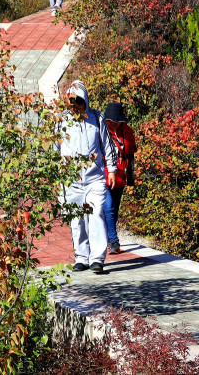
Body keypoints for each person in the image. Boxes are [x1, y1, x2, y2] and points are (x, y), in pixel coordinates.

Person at [59, 80, 118, 274]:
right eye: (72, 102)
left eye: (79, 102)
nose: (75, 106)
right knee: (76, 220)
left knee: (96, 214)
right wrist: (56, 180)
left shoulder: (97, 118)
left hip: (95, 178)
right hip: (71, 181)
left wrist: (113, 170)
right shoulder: (61, 121)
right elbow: (53, 151)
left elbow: (107, 146)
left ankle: (97, 258)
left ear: (86, 101)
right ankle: (81, 257)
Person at [102, 102, 136, 254]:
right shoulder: (102, 130)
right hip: (104, 175)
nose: (114, 123)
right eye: (111, 121)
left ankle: (108, 238)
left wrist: (131, 177)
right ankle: (114, 241)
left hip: (121, 175)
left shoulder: (127, 131)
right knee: (108, 207)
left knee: (114, 210)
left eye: (117, 121)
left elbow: (131, 154)